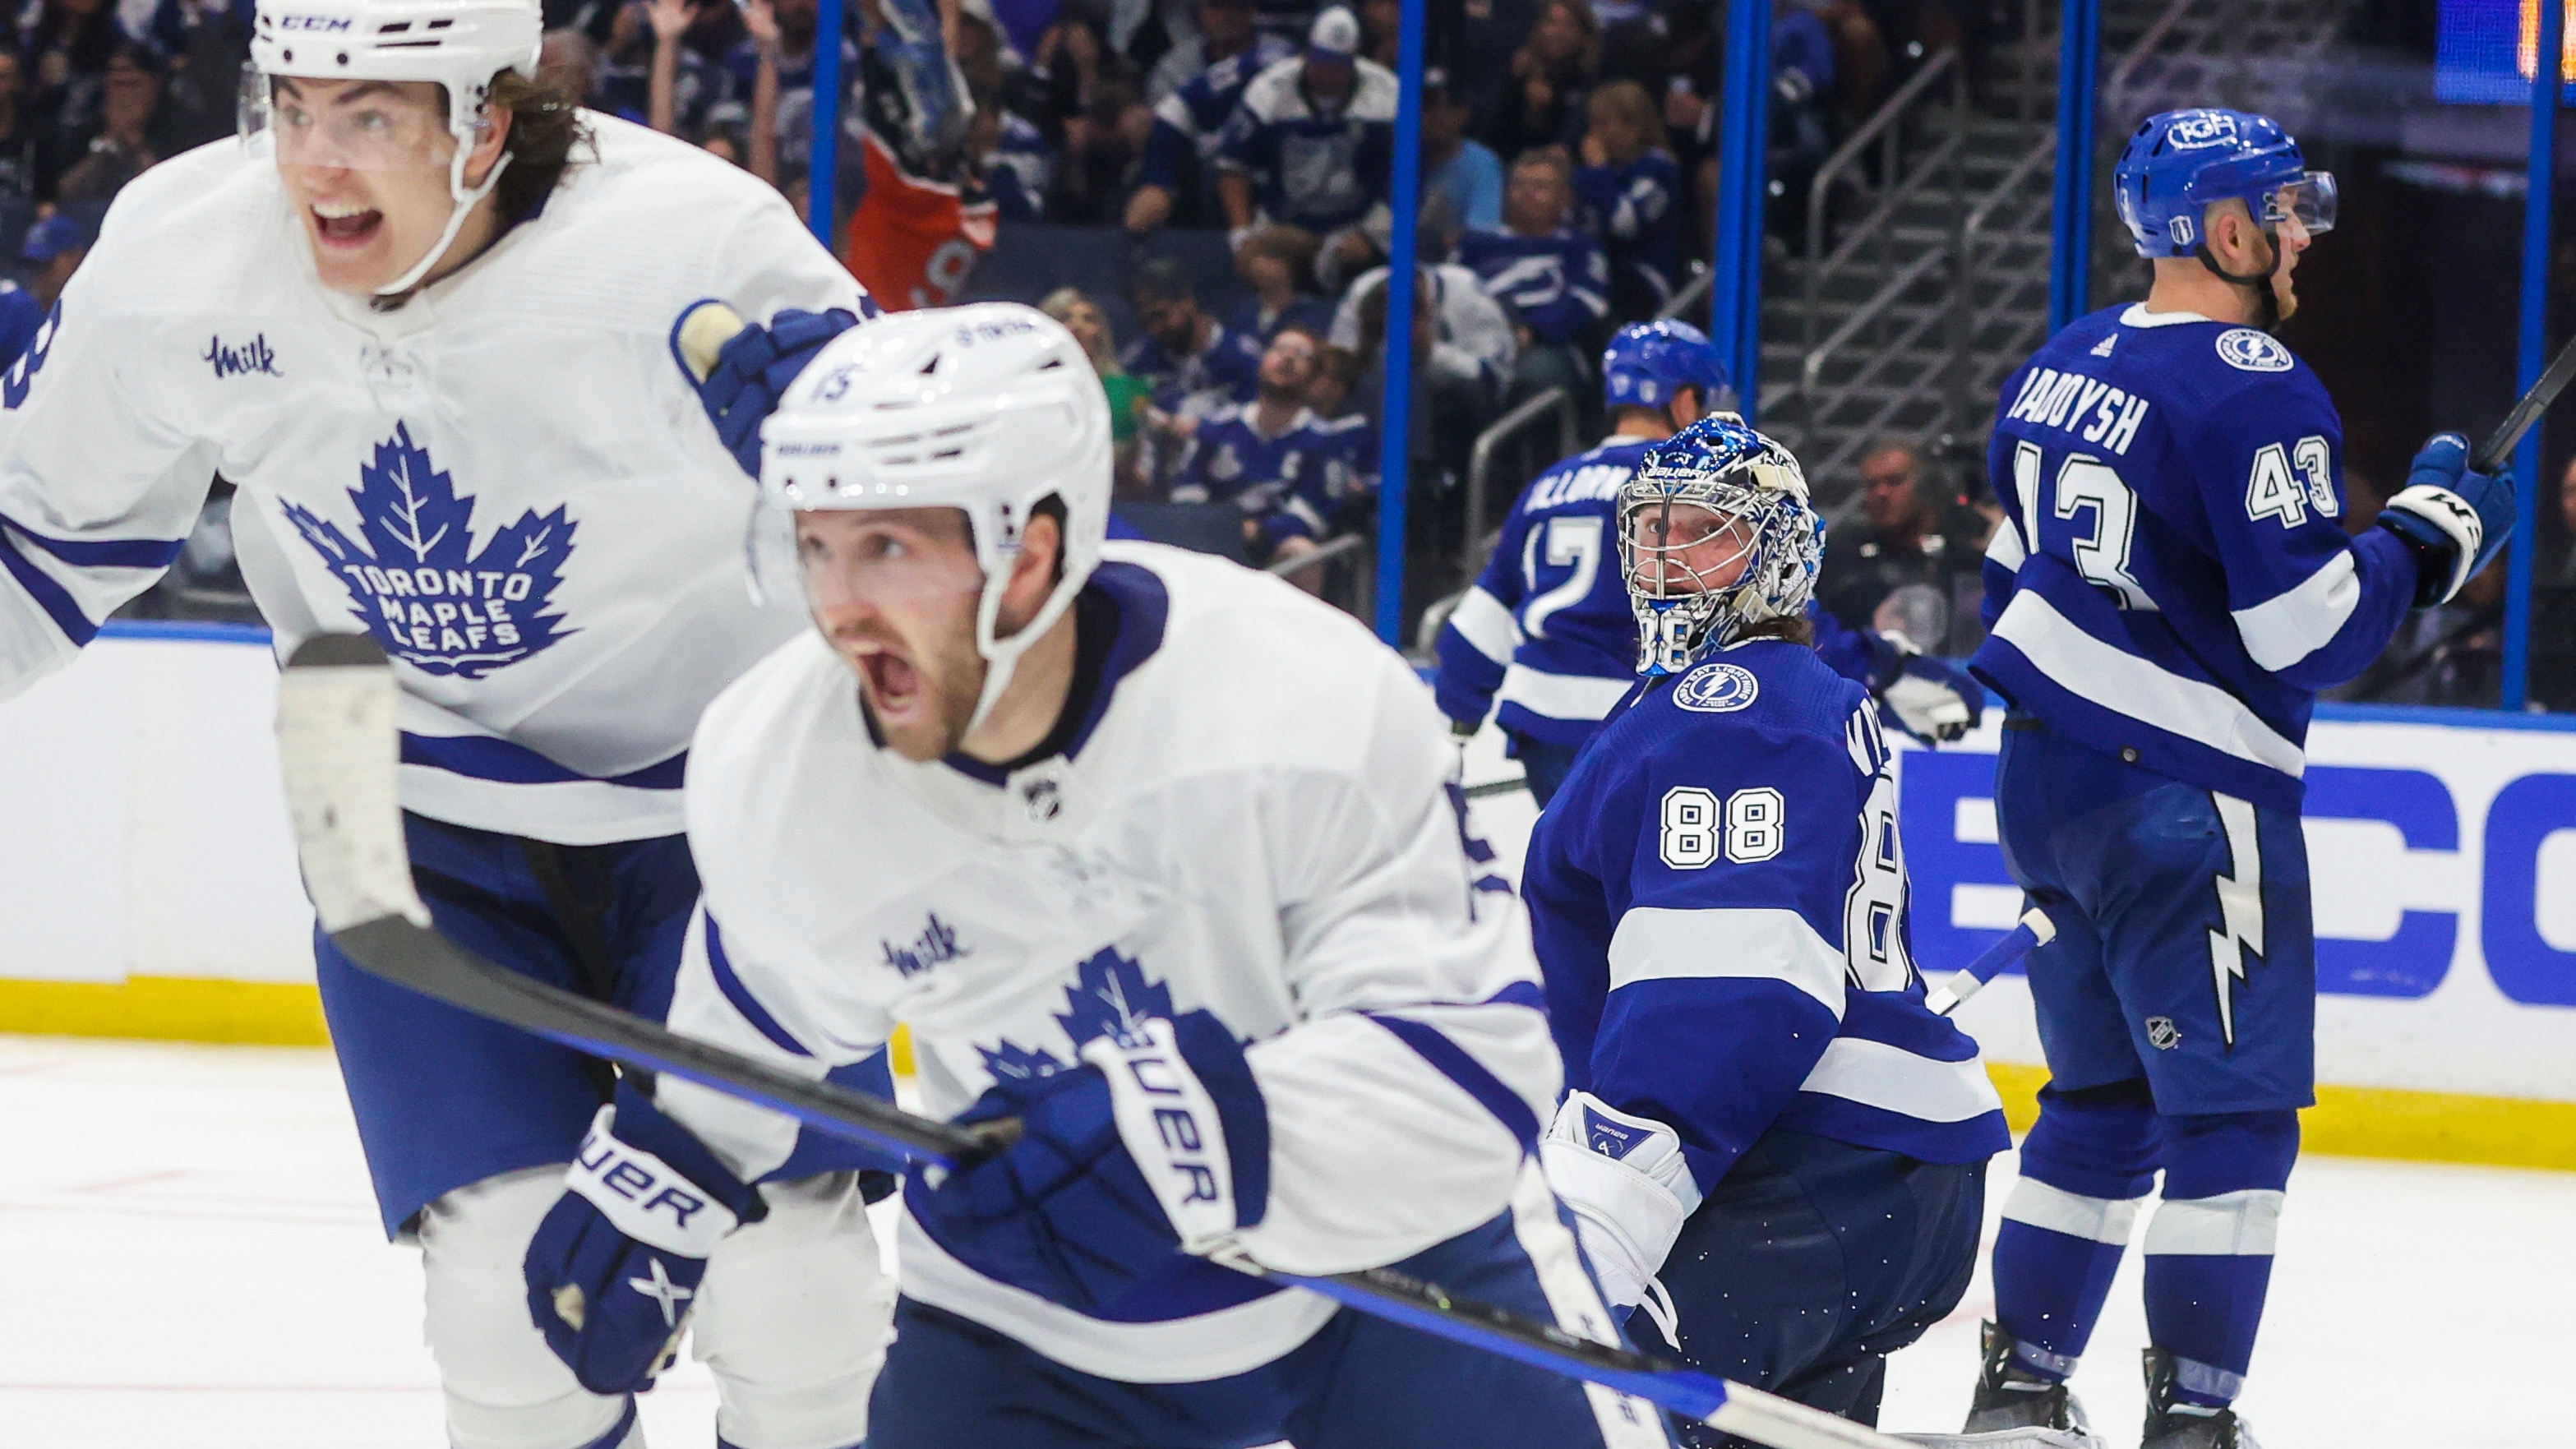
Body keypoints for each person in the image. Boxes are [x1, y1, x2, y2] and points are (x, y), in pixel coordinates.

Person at [525, 298, 1681, 1449]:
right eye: (817, 548)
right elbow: (765, 987)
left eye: (887, 547)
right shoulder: (777, 759)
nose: (838, 609)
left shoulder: (1302, 698)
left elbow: (1471, 1070)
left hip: (1387, 1265)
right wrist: (669, 1161)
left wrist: (1188, 1130)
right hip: (1035, 1306)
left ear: (1029, 551)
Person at [0, 1, 907, 1444]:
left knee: (792, 1278)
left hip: (719, 809)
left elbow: (918, 551)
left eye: (370, 117)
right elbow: (43, 530)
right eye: (290, 106)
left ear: (489, 118)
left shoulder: (696, 248)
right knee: (500, 1297)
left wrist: (857, 476)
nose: (313, 163)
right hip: (395, 807)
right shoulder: (182, 253)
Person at [1963, 108, 2514, 1449]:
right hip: (2184, 804)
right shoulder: (2252, 382)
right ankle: (2192, 1418)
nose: (2299, 233)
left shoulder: (2061, 359)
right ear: (2222, 229)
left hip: (2044, 793)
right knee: (2232, 1117)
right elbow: (2307, 633)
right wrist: (2425, 544)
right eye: (2281, 210)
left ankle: (2019, 1393)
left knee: (2093, 1102)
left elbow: (2005, 569)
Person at [1521, 413, 2008, 1445]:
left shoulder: (1731, 705)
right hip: (1860, 1175)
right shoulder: (1772, 696)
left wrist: (1610, 1198)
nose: (1666, 562)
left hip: (1806, 1171)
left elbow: (1728, 989)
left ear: (1779, 553)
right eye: (1651, 533)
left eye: (1706, 532)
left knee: (1576, 1409)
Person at [1433, 321, 1984, 806]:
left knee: (1580, 901)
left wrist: (1458, 720)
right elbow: (1775, 614)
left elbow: (1475, 627)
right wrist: (1883, 667)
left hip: (1540, 731)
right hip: (1637, 728)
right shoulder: (1690, 493)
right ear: (1686, 402)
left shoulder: (1547, 486)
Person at [1169, 322, 1373, 581]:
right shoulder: (1217, 427)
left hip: (1275, 550)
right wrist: (1218, 527)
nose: (1288, 358)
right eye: (1280, 349)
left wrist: (1258, 532)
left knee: (1302, 552)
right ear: (1262, 361)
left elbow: (1313, 511)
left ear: (1314, 377)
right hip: (1210, 540)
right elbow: (1187, 487)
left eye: (1301, 355)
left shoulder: (1326, 441)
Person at [1215, 7, 1396, 276]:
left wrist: (1374, 235)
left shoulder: (1388, 97)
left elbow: (1408, 173)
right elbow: (1233, 165)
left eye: (1336, 65)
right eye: (1320, 61)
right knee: (1262, 266)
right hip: (1282, 226)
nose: (1326, 72)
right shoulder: (1269, 91)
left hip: (1356, 225)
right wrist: (1242, 235)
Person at [1455, 148, 1612, 404]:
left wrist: (1532, 332)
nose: (1527, 194)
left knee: (1533, 375)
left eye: (1540, 186)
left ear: (1565, 198)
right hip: (1475, 341)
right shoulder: (1474, 245)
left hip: (1544, 346)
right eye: (1519, 184)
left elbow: (1587, 302)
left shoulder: (1580, 248)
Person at [1128, 0, 1291, 232]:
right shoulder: (1177, 64)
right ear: (1202, 13)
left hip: (1265, 162)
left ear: (1252, 11)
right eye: (1218, 6)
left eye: (1238, 7)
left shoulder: (1278, 56)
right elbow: (1162, 130)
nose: (1228, 16)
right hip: (1195, 168)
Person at [1812, 439, 1987, 647]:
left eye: (1895, 482)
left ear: (1925, 484)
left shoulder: (1966, 551)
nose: (1881, 493)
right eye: (1871, 485)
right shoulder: (1840, 557)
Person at [1573, 77, 1683, 320]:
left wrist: (1599, 173)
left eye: (1603, 124)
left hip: (1640, 278)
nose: (1594, 133)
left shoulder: (1658, 170)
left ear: (1633, 127)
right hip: (1592, 267)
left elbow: (1624, 224)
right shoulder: (1586, 174)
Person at [1122, 254, 1263, 421]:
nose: (1155, 329)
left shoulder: (1243, 356)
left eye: (1161, 315)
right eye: (1146, 322)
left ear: (1187, 300)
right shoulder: (1138, 360)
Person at [0, 209, 92, 367]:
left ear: (76, 258)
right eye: (32, 266)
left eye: (45, 264)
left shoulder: (93, 309)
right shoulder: (19, 309)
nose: (37, 276)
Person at [1421, 66, 1503, 233]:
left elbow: (1481, 230)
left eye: (1450, 106)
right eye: (1428, 105)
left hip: (1455, 257)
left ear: (1464, 113)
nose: (1438, 115)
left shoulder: (1482, 163)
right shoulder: (1398, 156)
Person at [1226, 222, 1335, 344]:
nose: (1258, 263)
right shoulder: (1246, 310)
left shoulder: (1315, 314)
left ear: (1293, 266)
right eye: (1257, 256)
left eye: (1270, 257)